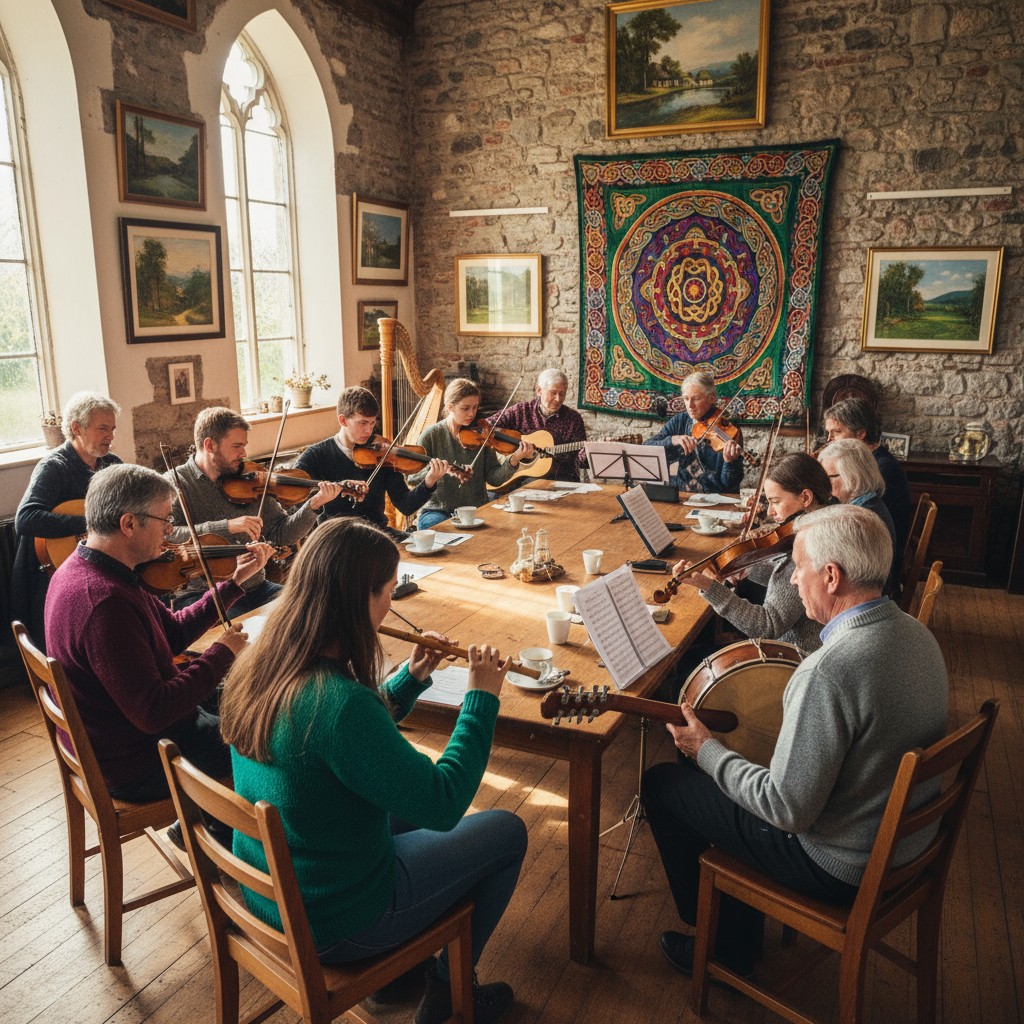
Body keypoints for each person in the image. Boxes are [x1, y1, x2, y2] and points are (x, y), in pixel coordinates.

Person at [219, 518, 527, 1024]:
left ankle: (400, 976)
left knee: (406, 812)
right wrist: (480, 700)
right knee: (506, 831)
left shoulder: (259, 667)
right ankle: (450, 991)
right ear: (359, 599)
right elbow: (444, 801)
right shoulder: (340, 703)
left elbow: (345, 750)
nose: (390, 604)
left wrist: (410, 678)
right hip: (337, 921)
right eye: (388, 591)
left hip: (273, 890)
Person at [642, 504, 947, 980]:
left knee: (665, 784)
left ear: (831, 576)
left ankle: (724, 948)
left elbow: (787, 810)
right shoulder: (919, 636)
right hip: (906, 848)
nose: (792, 581)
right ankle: (734, 932)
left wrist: (705, 751)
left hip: (840, 866)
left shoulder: (828, 669)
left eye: (797, 569)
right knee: (729, 772)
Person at [43, 463, 272, 803]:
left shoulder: (91, 570)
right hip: (141, 761)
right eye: (165, 519)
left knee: (257, 701)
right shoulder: (105, 602)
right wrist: (222, 653)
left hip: (129, 736)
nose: (170, 531)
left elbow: (171, 632)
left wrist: (233, 584)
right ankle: (219, 835)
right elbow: (154, 712)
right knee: (274, 742)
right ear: (129, 524)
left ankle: (208, 825)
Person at [166, 407, 345, 613]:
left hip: (255, 588)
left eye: (244, 446)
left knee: (317, 610)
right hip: (205, 595)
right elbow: (170, 539)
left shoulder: (249, 479)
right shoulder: (175, 484)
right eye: (237, 446)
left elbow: (282, 533)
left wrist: (314, 505)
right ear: (209, 445)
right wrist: (227, 527)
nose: (243, 453)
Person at [672, 452, 834, 656]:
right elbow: (787, 590)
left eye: (775, 501)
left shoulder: (804, 547)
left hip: (792, 658)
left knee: (687, 657)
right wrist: (748, 567)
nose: (770, 512)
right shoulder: (829, 524)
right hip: (809, 650)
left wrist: (708, 586)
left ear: (806, 497)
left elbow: (767, 626)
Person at [12, 391, 123, 652]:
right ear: (77, 428)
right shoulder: (54, 466)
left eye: (113, 429)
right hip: (52, 570)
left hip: (98, 564)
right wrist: (89, 522)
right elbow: (25, 519)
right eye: (102, 429)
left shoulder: (112, 464)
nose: (110, 436)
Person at [292, 386, 453, 537]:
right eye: (362, 423)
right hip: (337, 538)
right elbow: (295, 496)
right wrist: (324, 494)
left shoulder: (381, 453)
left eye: (372, 423)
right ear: (343, 420)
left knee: (427, 547)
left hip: (378, 534)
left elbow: (406, 505)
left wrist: (429, 481)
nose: (368, 430)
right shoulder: (316, 455)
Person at [412, 378, 534, 529]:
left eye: (475, 407)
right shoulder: (431, 435)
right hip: (438, 511)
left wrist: (515, 459)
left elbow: (494, 479)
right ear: (450, 407)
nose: (471, 413)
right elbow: (412, 478)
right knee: (436, 529)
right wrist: (436, 472)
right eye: (465, 408)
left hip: (476, 510)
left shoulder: (482, 434)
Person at [823, 397, 911, 558]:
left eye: (836, 432)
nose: (829, 439)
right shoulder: (865, 463)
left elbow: (858, 520)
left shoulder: (882, 469)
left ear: (860, 434)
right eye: (828, 433)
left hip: (877, 559)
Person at [818, 438, 899, 595]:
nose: (824, 485)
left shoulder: (861, 520)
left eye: (828, 478)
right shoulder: (869, 503)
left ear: (852, 478)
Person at [644, 372, 744, 494]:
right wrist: (672, 440)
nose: (690, 405)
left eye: (696, 399)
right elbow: (646, 447)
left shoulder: (728, 429)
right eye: (686, 398)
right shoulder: (680, 421)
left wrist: (730, 462)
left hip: (715, 498)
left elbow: (730, 484)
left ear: (711, 398)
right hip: (682, 496)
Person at [485, 368, 588, 482]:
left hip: (561, 480)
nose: (558, 399)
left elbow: (580, 462)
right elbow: (486, 426)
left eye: (562, 394)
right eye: (553, 392)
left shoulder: (574, 419)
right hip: (520, 478)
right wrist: (508, 450)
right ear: (539, 390)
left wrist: (588, 453)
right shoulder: (521, 410)